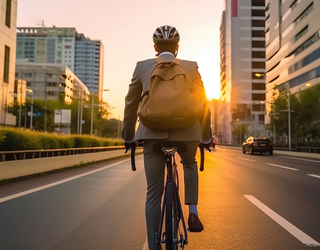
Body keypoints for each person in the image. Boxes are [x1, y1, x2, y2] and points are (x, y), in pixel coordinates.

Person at [123, 25, 211, 250]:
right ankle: (192, 211)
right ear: (177, 47)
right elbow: (204, 103)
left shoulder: (143, 67)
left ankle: (154, 246)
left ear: (155, 47)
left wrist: (129, 137)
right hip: (187, 132)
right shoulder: (190, 67)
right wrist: (206, 136)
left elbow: (131, 104)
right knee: (190, 163)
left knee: (154, 193)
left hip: (151, 135)